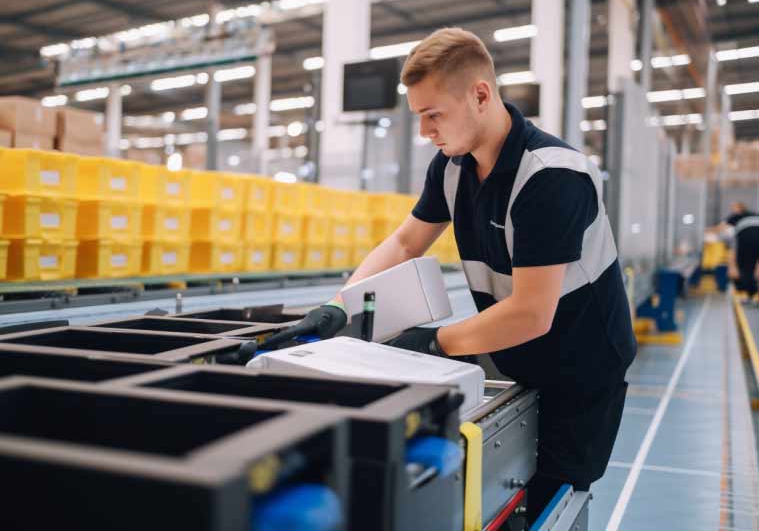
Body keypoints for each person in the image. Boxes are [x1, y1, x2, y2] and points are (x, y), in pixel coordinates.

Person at [269, 28, 636, 524]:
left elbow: (531, 313)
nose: (425, 132)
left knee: (548, 505)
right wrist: (340, 306)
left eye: (433, 115)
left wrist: (434, 341)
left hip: (579, 375)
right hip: (517, 361)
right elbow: (404, 242)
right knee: (498, 500)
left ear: (480, 95)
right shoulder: (452, 168)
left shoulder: (551, 177)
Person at [712, 202, 759, 300]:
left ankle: (751, 293)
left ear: (740, 208)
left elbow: (720, 227)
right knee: (751, 265)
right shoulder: (754, 214)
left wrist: (709, 230)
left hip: (746, 237)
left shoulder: (737, 215)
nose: (733, 210)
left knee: (746, 266)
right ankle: (752, 290)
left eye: (734, 208)